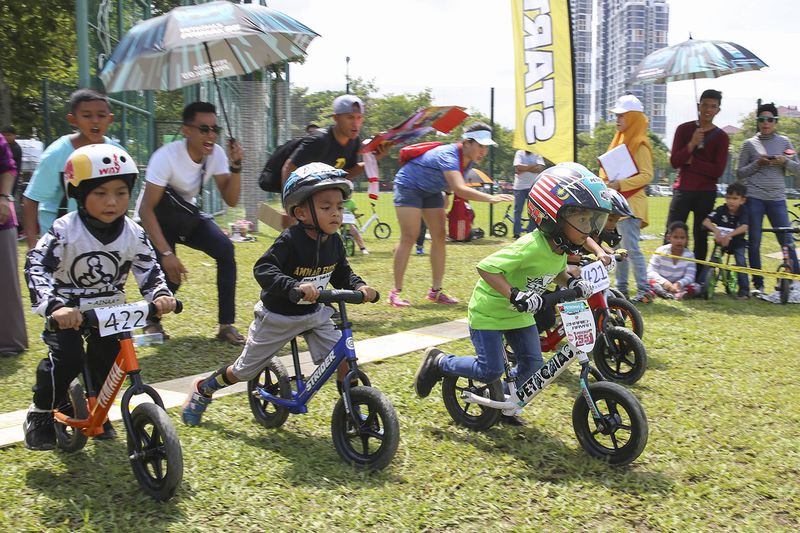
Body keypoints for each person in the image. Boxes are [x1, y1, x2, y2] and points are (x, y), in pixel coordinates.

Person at [181, 163, 377, 426]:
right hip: (278, 316)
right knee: (243, 370)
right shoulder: (290, 240)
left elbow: (343, 272)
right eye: (326, 207)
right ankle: (204, 388)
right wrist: (292, 287)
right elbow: (263, 268)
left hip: (315, 313)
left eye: (339, 207)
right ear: (301, 212)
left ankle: (353, 412)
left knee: (345, 360)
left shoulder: (334, 242)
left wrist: (360, 287)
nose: (336, 214)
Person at [412, 163, 605, 425]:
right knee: (489, 368)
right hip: (490, 313)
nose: (590, 228)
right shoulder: (530, 246)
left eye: (591, 221)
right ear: (554, 216)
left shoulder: (559, 249)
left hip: (521, 316)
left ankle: (503, 402)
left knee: (532, 364)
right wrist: (515, 294)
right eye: (582, 220)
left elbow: (554, 271)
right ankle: (441, 362)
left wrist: (570, 283)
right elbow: (487, 268)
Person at [22, 144, 176, 450]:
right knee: (67, 358)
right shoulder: (65, 230)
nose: (112, 202)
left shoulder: (133, 232)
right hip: (68, 309)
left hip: (110, 309)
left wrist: (160, 294)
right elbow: (36, 265)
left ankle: (98, 410)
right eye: (100, 193)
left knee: (110, 362)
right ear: (79, 193)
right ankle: (40, 413)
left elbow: (149, 267)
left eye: (121, 192)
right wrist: (55, 305)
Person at [136, 101, 245, 345]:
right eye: (203, 129)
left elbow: (231, 199)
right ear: (187, 130)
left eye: (214, 129)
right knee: (170, 277)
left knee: (226, 250)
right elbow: (145, 209)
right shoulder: (165, 157)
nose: (211, 135)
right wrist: (165, 253)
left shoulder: (215, 153)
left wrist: (236, 166)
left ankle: (226, 325)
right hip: (157, 218)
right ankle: (152, 320)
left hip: (186, 215)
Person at [389, 122, 514, 307]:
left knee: (439, 237)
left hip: (431, 191)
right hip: (408, 185)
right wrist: (490, 198)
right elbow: (460, 188)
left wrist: (447, 194)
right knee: (410, 236)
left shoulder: (469, 159)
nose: (484, 151)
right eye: (480, 145)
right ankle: (395, 292)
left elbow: (452, 181)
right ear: (467, 143)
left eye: (486, 147)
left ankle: (436, 292)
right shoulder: (448, 154)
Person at [22, 89, 118, 248]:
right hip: (60, 244)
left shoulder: (117, 153)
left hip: (103, 242)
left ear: (110, 119)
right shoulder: (57, 154)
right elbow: (31, 199)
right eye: (87, 116)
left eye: (101, 115)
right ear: (73, 119)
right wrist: (33, 245)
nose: (95, 121)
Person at [736, 102, 800, 295]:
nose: (766, 123)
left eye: (770, 120)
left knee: (787, 240)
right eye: (762, 119)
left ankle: (795, 280)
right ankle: (758, 284)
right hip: (755, 197)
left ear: (775, 122)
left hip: (778, 198)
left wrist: (785, 161)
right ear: (757, 122)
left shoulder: (784, 142)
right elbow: (739, 173)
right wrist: (758, 163)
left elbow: (797, 168)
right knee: (754, 241)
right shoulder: (749, 144)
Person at [600, 95, 655, 303]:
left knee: (631, 248)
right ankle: (622, 289)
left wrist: (620, 184)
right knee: (618, 250)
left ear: (633, 118)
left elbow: (646, 175)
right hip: (617, 206)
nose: (617, 119)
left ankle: (644, 289)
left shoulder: (640, 144)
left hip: (631, 207)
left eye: (622, 116)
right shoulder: (620, 141)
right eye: (617, 116)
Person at [667, 89, 730, 271]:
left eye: (713, 106)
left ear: (718, 110)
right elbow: (675, 161)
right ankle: (670, 270)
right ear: (698, 106)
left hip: (706, 192)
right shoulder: (684, 129)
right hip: (683, 189)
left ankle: (698, 276)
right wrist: (692, 144)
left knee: (701, 234)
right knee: (673, 231)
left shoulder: (721, 137)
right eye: (704, 105)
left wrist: (693, 161)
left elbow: (717, 170)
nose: (708, 110)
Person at [281, 95, 386, 185]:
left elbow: (347, 173)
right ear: (336, 118)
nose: (355, 123)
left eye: (359, 117)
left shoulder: (353, 141)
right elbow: (289, 167)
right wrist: (289, 202)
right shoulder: (318, 140)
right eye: (350, 117)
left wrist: (373, 159)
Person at [0, 131, 27, 357]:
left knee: (5, 282)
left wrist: (3, 197)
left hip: (1, 218)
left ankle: (9, 342)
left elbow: (8, 168)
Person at [702, 182, 750, 299]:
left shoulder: (744, 211)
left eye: (735, 198)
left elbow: (745, 227)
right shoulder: (721, 209)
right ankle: (701, 285)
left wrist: (729, 235)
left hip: (737, 243)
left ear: (742, 200)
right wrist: (716, 231)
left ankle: (744, 291)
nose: (731, 201)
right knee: (712, 261)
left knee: (741, 262)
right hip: (720, 243)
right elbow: (706, 221)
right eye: (728, 198)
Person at [647, 221, 700, 300]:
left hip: (679, 287)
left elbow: (690, 276)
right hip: (661, 284)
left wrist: (678, 284)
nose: (679, 241)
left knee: (696, 287)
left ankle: (678, 295)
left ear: (687, 239)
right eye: (675, 237)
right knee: (649, 282)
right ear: (669, 238)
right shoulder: (660, 251)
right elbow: (651, 272)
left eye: (682, 238)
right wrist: (665, 283)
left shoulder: (690, 255)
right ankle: (662, 293)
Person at [512, 149, 545, 238]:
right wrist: (533, 167)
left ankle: (530, 233)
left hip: (533, 187)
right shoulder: (519, 153)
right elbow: (518, 167)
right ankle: (516, 234)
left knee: (533, 211)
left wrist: (523, 168)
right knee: (518, 211)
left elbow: (540, 168)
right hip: (519, 187)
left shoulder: (537, 153)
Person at [1, 125, 23, 196]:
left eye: (9, 135)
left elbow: (7, 163)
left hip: (11, 180)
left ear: (14, 136)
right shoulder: (3, 146)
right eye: (4, 135)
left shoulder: (16, 148)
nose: (6, 137)